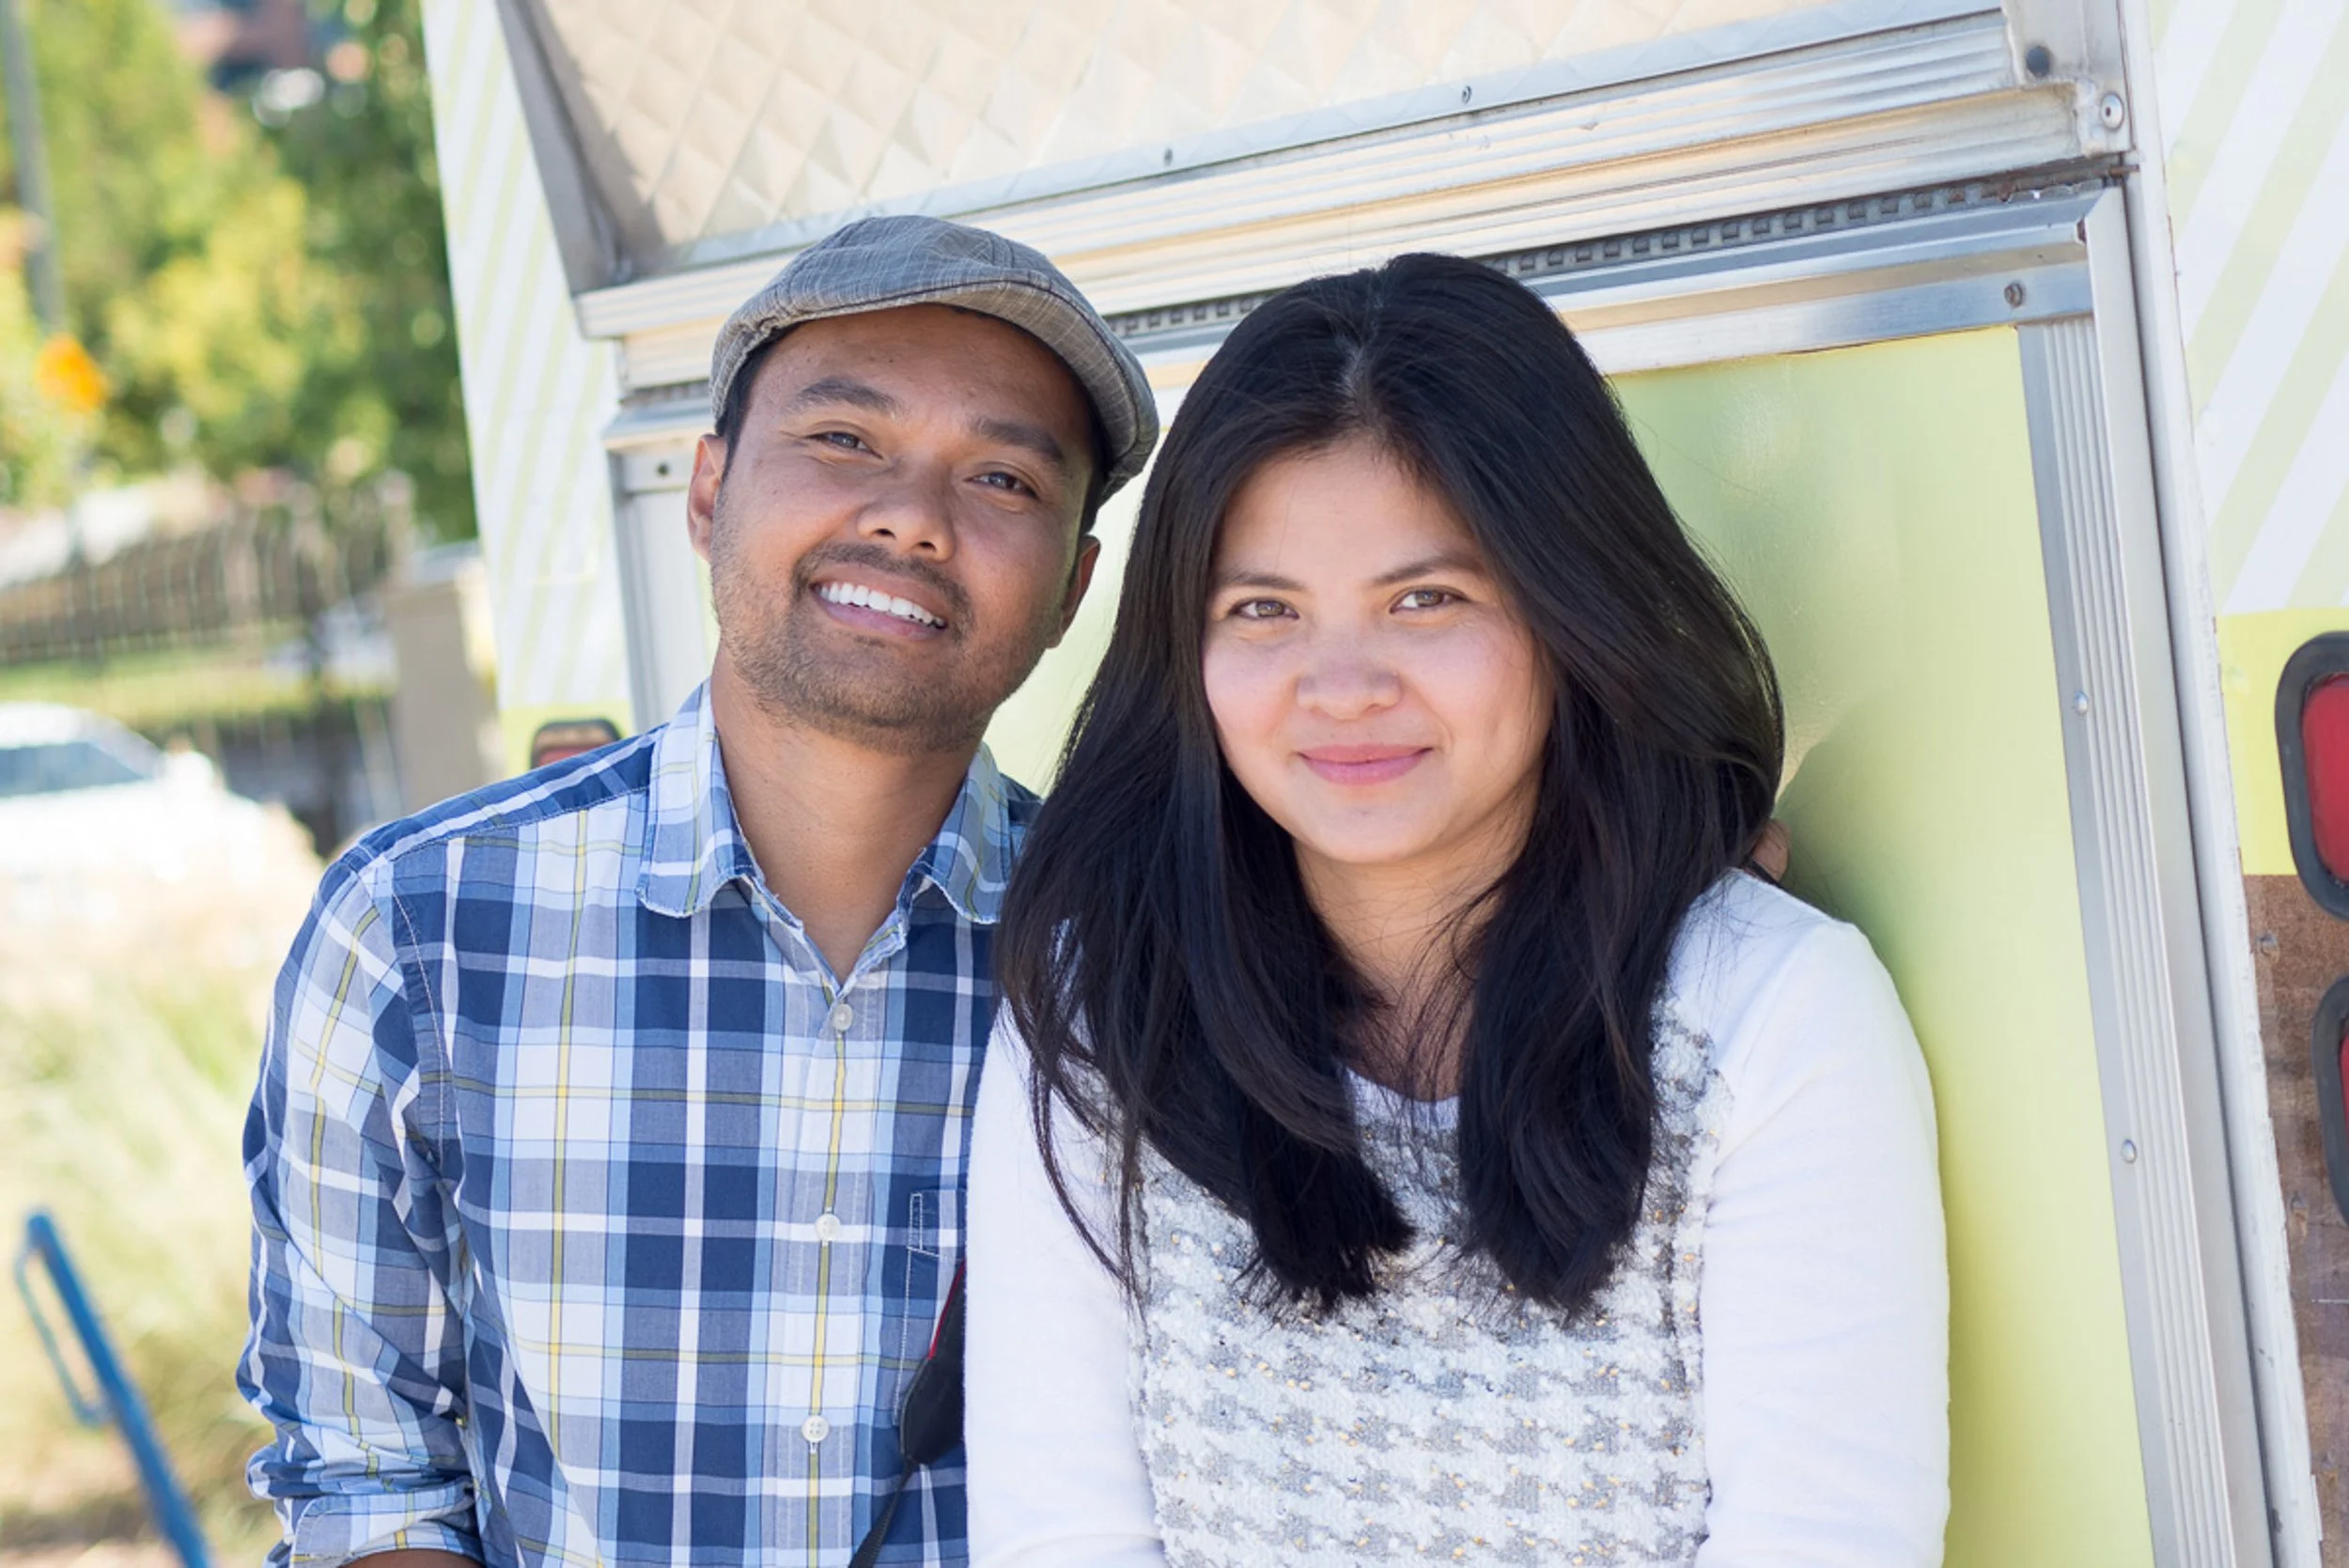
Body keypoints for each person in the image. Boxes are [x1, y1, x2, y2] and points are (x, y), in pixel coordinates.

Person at [965, 255, 1949, 1564]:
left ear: (1566, 612)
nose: (1343, 683)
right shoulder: (1106, 1011)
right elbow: (1060, 1532)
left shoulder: (1768, 1013)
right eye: (1264, 609)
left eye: (1425, 599)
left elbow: (1830, 1538)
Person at [237, 215, 1158, 1568]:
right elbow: (364, 1480)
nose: (910, 514)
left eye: (1006, 480)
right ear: (709, 488)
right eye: (845, 440)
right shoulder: (416, 931)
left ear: (1075, 587)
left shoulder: (1145, 960)